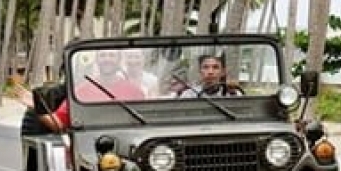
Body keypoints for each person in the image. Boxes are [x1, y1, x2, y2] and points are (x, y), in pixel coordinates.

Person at [15, 49, 145, 132]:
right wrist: (37, 108)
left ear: (118, 60)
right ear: (97, 60)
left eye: (112, 55)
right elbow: (59, 124)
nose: (107, 59)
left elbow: (145, 123)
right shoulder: (81, 91)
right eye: (103, 55)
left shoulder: (134, 91)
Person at [177, 54, 243, 98]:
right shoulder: (189, 95)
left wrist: (232, 93)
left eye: (215, 67)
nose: (210, 72)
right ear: (200, 71)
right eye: (205, 67)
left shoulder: (232, 93)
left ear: (223, 72)